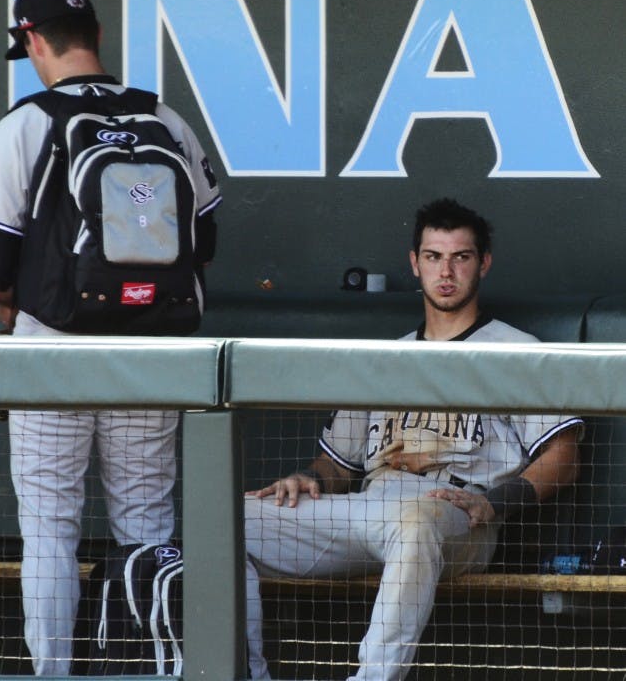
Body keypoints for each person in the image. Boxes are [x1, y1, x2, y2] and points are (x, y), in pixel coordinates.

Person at [0, 0, 221, 676]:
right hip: (151, 348)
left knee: (49, 528)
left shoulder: (24, 123)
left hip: (51, 349)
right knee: (145, 525)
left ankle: (55, 675)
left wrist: (9, 305)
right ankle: (150, 667)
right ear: (97, 37)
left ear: (33, 42)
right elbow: (206, 237)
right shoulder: (163, 118)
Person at [244, 197, 582, 681]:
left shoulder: (515, 351)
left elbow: (564, 458)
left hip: (460, 513)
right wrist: (303, 478)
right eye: (433, 257)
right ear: (414, 263)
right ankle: (242, 672)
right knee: (230, 522)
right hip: (370, 510)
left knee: (417, 519)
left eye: (460, 257)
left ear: (482, 264)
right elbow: (336, 467)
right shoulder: (386, 359)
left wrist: (496, 503)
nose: (446, 271)